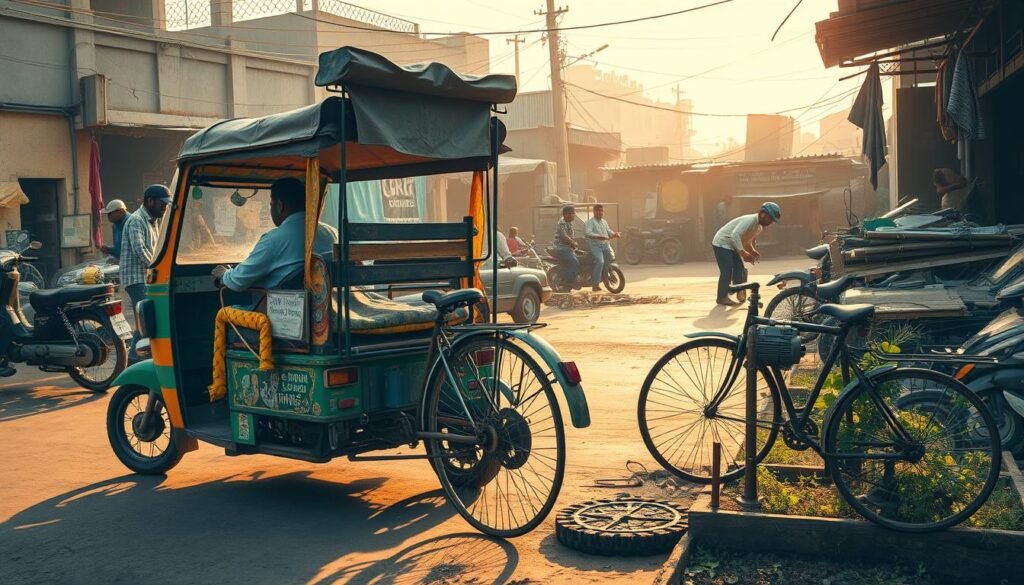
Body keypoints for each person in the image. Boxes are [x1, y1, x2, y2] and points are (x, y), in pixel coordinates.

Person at [211, 177, 338, 292]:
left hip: (281, 311)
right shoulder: (331, 233)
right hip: (325, 310)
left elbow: (238, 281)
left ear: (279, 206)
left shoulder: (274, 240)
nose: (271, 209)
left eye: (271, 205)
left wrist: (224, 274)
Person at [121, 184, 172, 360]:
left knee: (149, 321)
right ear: (150, 201)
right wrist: (159, 267)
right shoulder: (136, 220)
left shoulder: (155, 221)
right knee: (146, 322)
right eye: (162, 203)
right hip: (137, 279)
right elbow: (140, 250)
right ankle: (133, 363)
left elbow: (156, 250)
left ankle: (143, 360)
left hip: (148, 278)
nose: (165, 207)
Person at [711, 202, 781, 306]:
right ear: (763, 214)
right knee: (727, 271)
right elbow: (735, 235)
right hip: (722, 243)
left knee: (740, 269)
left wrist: (752, 251)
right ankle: (721, 297)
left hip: (732, 245)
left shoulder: (759, 227)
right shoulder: (749, 220)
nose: (770, 222)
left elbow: (748, 240)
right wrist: (743, 253)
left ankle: (735, 290)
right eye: (770, 219)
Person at [584, 204, 620, 292]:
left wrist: (614, 234)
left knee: (610, 258)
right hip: (594, 246)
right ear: (594, 212)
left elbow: (608, 230)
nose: (600, 213)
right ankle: (595, 284)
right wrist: (598, 236)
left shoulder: (604, 222)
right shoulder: (590, 222)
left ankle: (604, 277)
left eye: (601, 211)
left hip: (605, 245)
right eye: (598, 211)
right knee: (600, 261)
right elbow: (588, 233)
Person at [551, 204, 580, 288]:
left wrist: (574, 244)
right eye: (569, 213)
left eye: (572, 213)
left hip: (567, 248)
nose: (571, 215)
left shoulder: (569, 223)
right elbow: (564, 236)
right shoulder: (562, 222)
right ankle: (568, 282)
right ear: (564, 214)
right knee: (575, 262)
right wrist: (572, 242)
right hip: (561, 248)